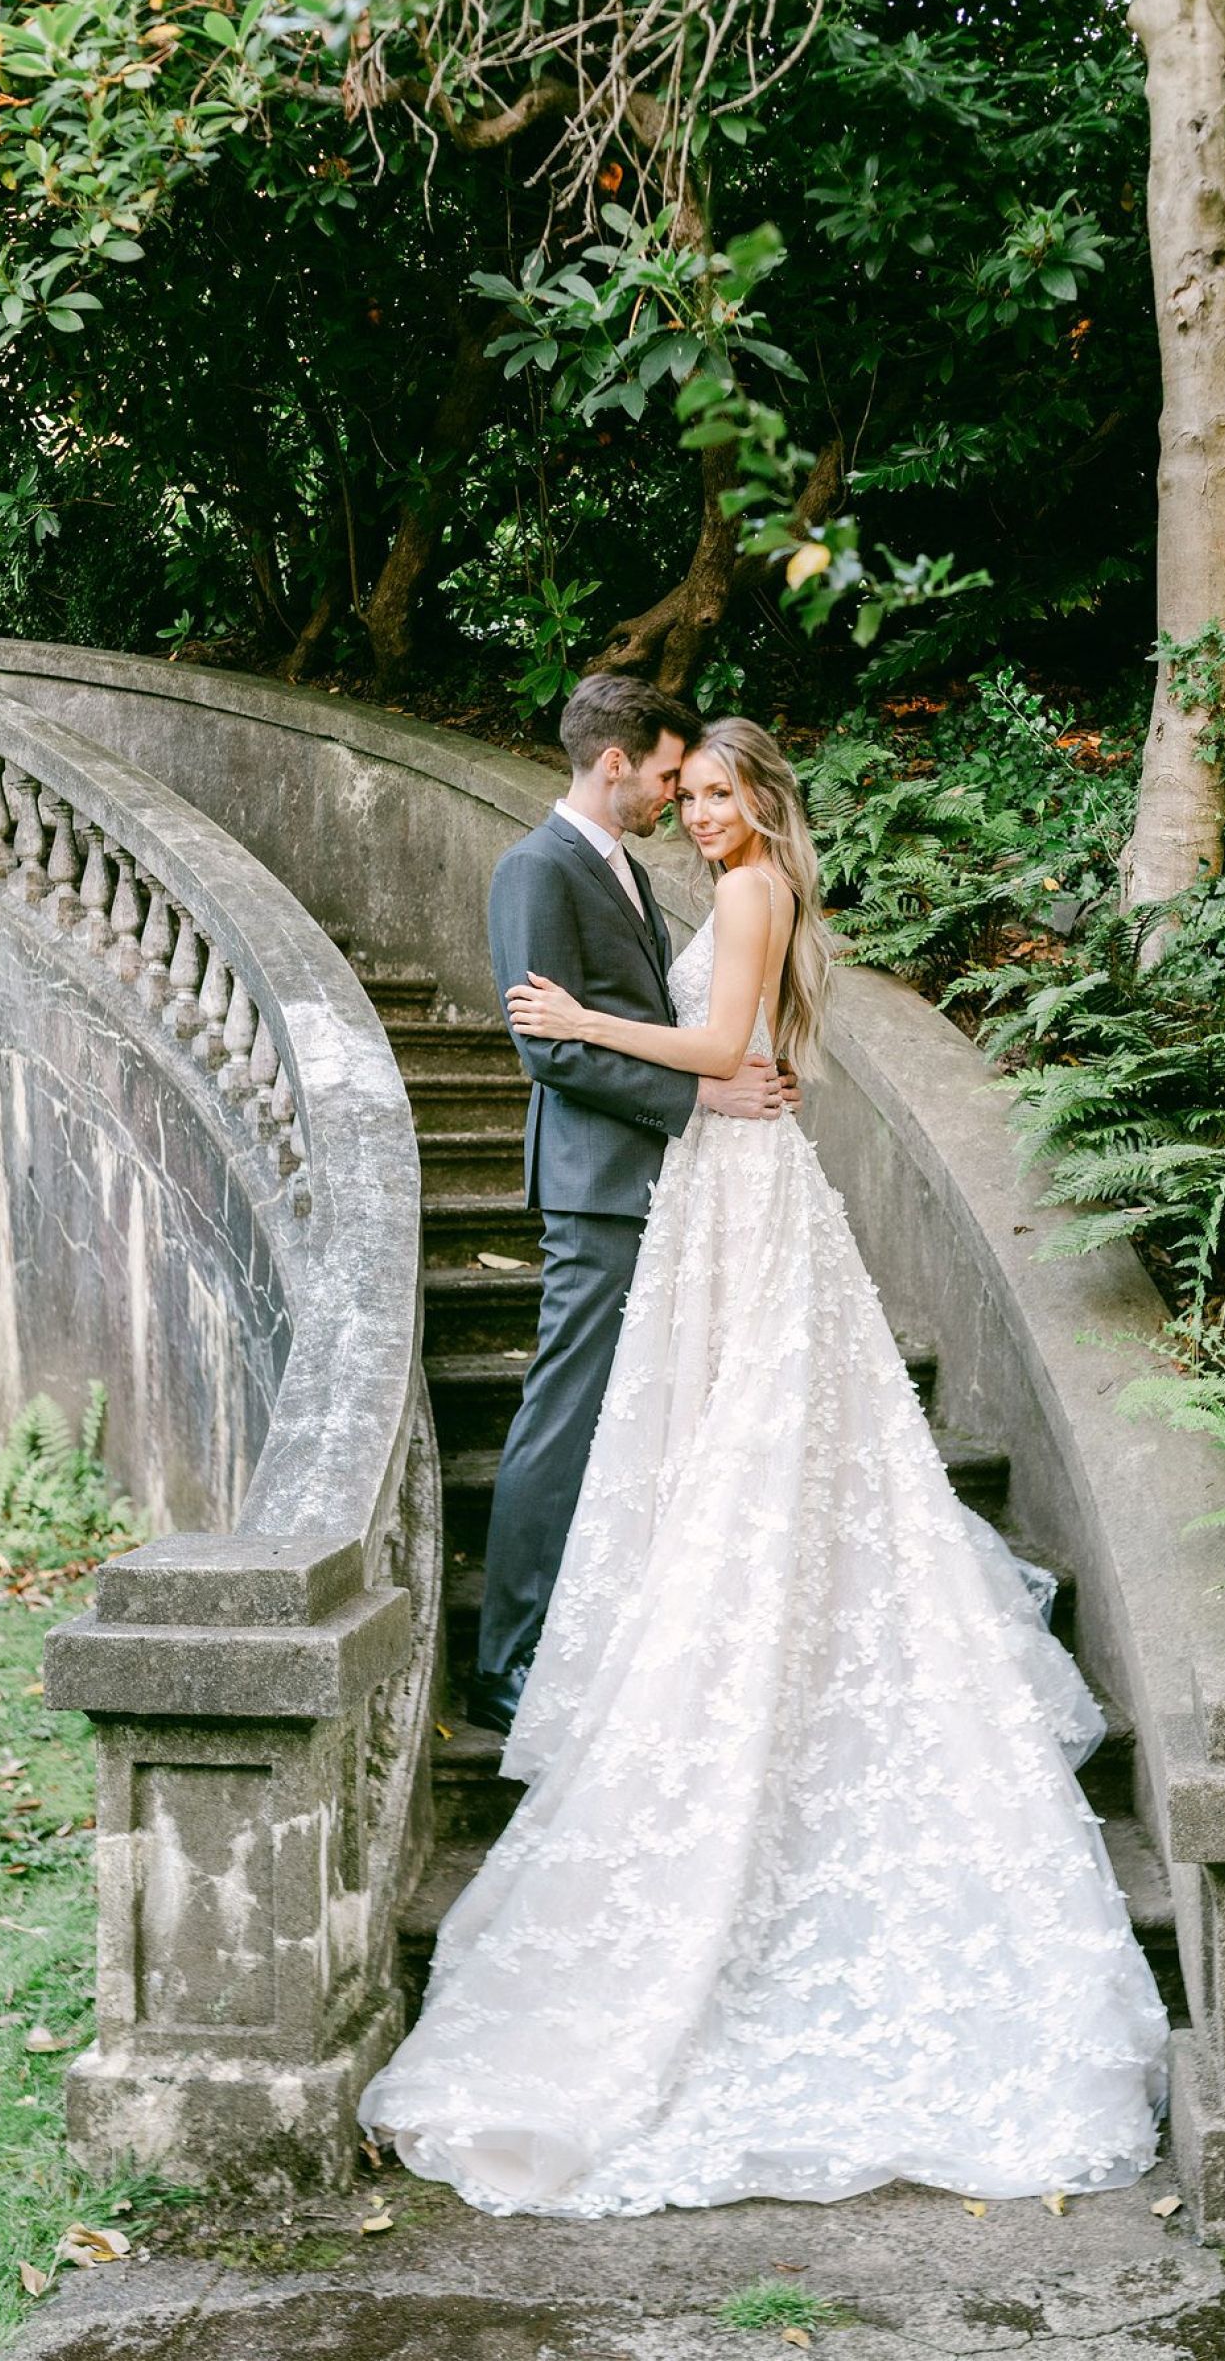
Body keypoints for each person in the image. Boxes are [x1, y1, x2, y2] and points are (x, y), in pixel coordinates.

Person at [361, 716, 1168, 2216]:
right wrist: (678, 1067)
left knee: (755, 1439)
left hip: (739, 1176)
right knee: (733, 1431)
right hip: (721, 1186)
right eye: (694, 792)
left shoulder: (744, 894)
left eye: (723, 793)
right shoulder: (722, 887)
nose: (703, 813)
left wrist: (590, 1026)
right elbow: (736, 1056)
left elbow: (727, 1052)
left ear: (762, 800)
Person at [468, 675, 796, 1734]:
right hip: (597, 1186)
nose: (675, 800)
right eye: (666, 777)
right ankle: (505, 1662)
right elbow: (546, 1044)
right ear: (615, 765)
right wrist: (699, 1089)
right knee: (562, 1418)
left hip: (664, 1178)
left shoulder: (630, 876)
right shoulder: (536, 869)